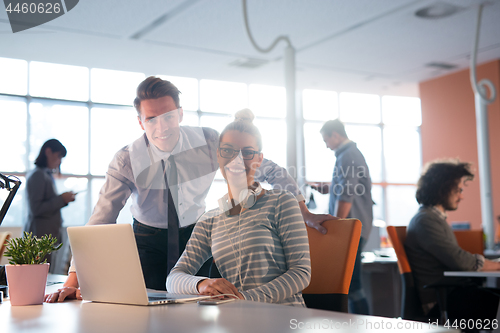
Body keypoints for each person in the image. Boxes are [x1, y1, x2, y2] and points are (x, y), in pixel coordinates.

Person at [45, 76, 329, 302]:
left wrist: (303, 211)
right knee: (150, 309)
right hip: (149, 240)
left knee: (203, 306)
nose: (162, 127)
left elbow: (269, 169)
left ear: (179, 113)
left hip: (197, 235)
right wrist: (72, 280)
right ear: (140, 121)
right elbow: (100, 220)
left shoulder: (207, 141)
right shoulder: (127, 160)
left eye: (168, 116)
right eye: (151, 119)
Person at [167, 120, 311, 306]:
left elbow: (301, 272)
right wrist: (201, 284)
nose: (236, 159)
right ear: (218, 155)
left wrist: (244, 299)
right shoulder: (210, 220)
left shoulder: (281, 202)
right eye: (228, 150)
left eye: (247, 152)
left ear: (259, 159)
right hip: (238, 319)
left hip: (284, 318)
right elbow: (173, 279)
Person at [405, 160, 500, 322]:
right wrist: (497, 265)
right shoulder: (425, 221)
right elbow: (460, 260)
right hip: (442, 301)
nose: (461, 196)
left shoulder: (433, 219)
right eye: (458, 190)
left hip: (453, 294)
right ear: (442, 188)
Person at [311, 119, 372, 314]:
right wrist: (328, 188)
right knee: (351, 286)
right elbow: (348, 186)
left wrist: (337, 230)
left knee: (352, 287)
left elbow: (347, 195)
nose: (326, 145)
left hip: (350, 231)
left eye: (326, 140)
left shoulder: (348, 156)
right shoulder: (348, 155)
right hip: (353, 229)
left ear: (335, 135)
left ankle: (362, 327)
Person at [25, 139, 76, 265]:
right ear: (48, 151)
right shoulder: (38, 175)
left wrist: (63, 200)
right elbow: (36, 209)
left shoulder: (45, 175)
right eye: (58, 156)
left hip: (44, 238)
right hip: (38, 238)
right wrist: (61, 199)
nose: (59, 161)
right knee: (40, 278)